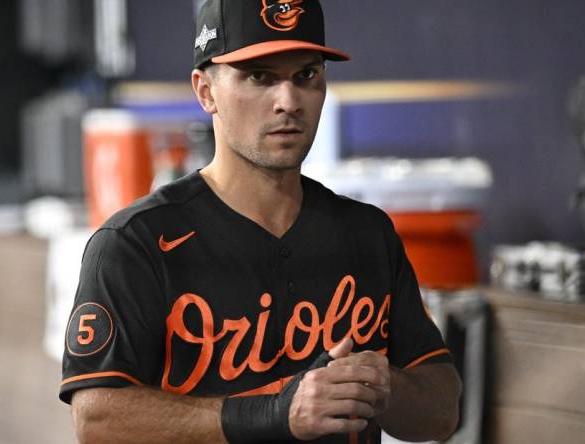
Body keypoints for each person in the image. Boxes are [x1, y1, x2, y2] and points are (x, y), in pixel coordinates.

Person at [60, 0, 462, 442]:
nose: (288, 101)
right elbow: (97, 421)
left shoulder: (367, 233)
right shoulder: (134, 243)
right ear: (205, 91)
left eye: (306, 75)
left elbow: (442, 411)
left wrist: (386, 385)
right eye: (259, 77)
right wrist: (273, 414)